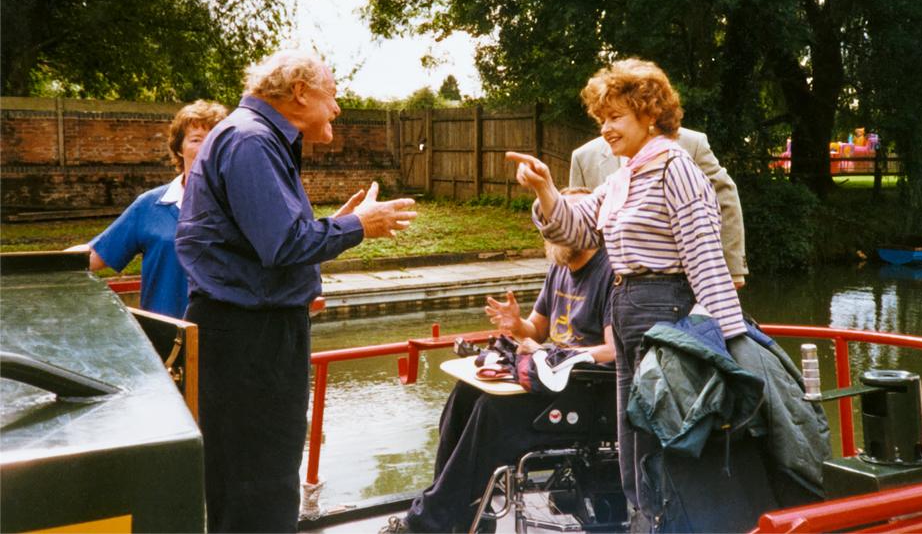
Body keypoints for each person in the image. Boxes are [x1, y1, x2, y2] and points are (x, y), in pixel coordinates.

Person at [174, 49, 418, 534]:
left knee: (246, 481)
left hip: (242, 334)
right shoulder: (251, 141)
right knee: (261, 484)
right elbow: (283, 244)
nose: (338, 108)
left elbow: (265, 242)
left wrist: (338, 223)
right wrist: (356, 226)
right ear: (300, 92)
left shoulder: (249, 136)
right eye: (333, 94)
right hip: (251, 339)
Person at [506, 58, 752, 529]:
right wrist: (544, 189)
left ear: (649, 113)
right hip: (628, 315)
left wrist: (728, 339)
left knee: (661, 440)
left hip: (665, 313)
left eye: (615, 117)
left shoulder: (676, 168)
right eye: (602, 119)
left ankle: (672, 524)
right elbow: (574, 227)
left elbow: (704, 257)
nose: (606, 129)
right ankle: (647, 521)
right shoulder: (622, 178)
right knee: (633, 442)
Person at [383, 190, 615, 534]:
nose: (550, 231)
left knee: (493, 412)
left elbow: (614, 350)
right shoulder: (559, 268)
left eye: (558, 222)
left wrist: (561, 356)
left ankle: (427, 523)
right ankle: (466, 518)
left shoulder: (611, 271)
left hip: (586, 392)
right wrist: (515, 324)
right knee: (464, 397)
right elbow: (536, 328)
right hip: (548, 379)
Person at [65, 100, 228, 318]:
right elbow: (97, 254)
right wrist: (37, 266)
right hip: (166, 334)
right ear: (179, 148)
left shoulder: (241, 204)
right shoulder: (150, 206)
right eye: (196, 140)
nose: (205, 148)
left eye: (215, 139)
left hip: (224, 335)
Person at [569, 127, 748, 287]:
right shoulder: (584, 157)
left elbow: (724, 195)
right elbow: (578, 225)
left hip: (680, 280)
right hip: (610, 281)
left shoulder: (690, 143)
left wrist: (732, 269)